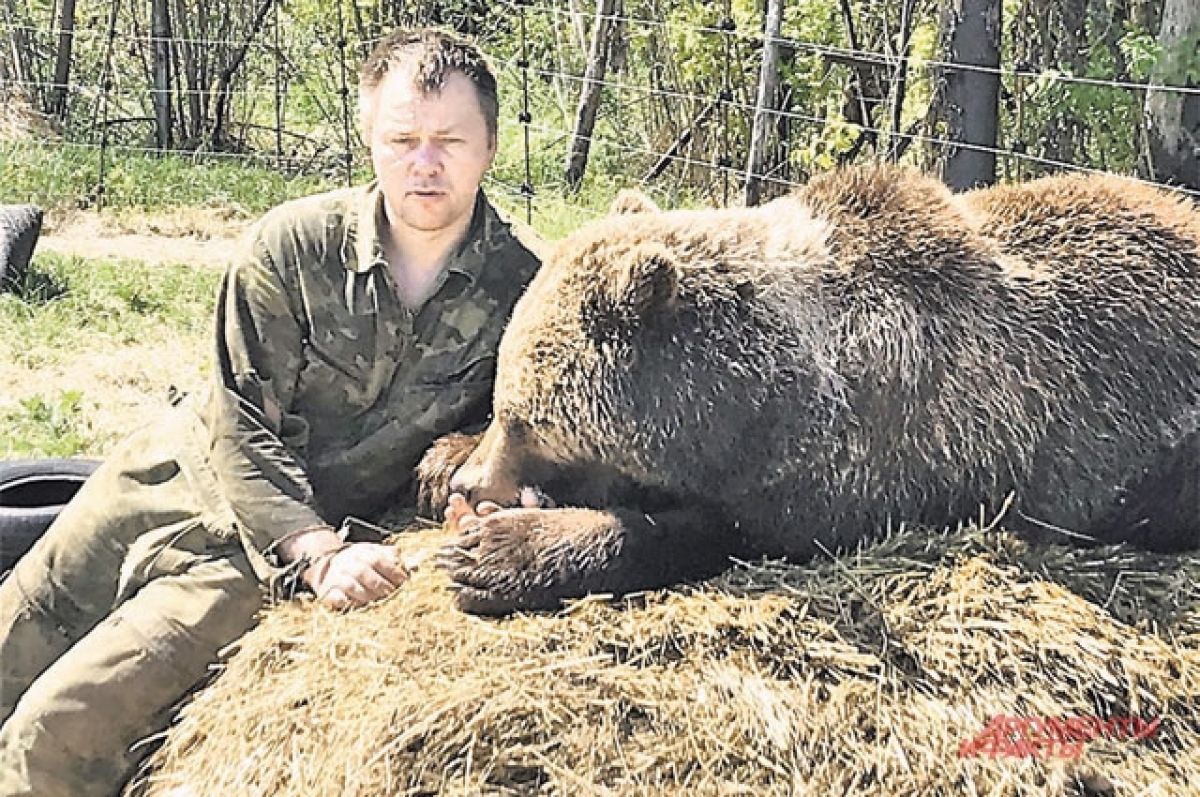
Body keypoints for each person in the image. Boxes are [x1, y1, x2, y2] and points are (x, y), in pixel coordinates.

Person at [0, 27, 542, 796]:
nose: (425, 163)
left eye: (450, 140)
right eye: (403, 138)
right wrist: (317, 548)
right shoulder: (293, 246)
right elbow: (241, 415)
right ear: (369, 139)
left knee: (52, 733)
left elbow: (510, 444)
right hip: (161, 483)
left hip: (255, 563)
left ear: (489, 145)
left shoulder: (523, 294)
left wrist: (360, 539)